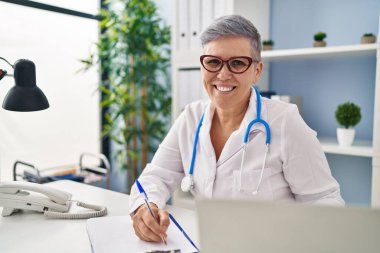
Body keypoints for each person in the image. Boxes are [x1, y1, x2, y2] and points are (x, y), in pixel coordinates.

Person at [129, 15, 344, 243]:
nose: (223, 74)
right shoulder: (190, 118)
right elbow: (155, 177)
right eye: (213, 62)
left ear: (257, 70)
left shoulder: (285, 122)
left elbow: (325, 201)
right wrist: (145, 207)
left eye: (238, 63)